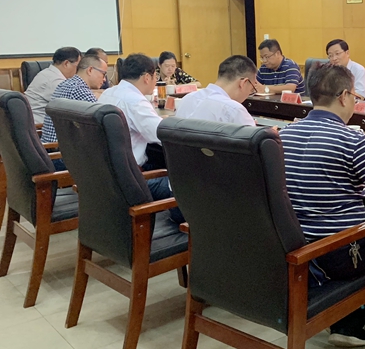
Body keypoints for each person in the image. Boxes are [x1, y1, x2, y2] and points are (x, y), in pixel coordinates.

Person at [279, 63, 365, 348]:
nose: (355, 101)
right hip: (336, 254)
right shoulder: (352, 139)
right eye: (355, 96)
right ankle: (349, 323)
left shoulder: (284, 134)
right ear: (343, 96)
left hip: (292, 247)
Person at [98, 53, 183, 222]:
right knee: (188, 182)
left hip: (107, 177)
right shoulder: (135, 101)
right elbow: (161, 135)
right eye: (155, 76)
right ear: (147, 77)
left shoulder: (108, 93)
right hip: (131, 180)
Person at [41, 54, 108, 170]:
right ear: (90, 70)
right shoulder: (79, 90)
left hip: (51, 153)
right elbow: (102, 122)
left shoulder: (67, 84)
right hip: (61, 157)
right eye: (103, 74)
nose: (105, 79)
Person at [175, 55, 257, 125]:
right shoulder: (234, 110)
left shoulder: (187, 99)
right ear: (243, 83)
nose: (250, 93)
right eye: (252, 89)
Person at [25, 46, 82, 125]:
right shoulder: (54, 81)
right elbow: (77, 105)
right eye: (78, 66)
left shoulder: (47, 73)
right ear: (66, 63)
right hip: (39, 126)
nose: (78, 71)